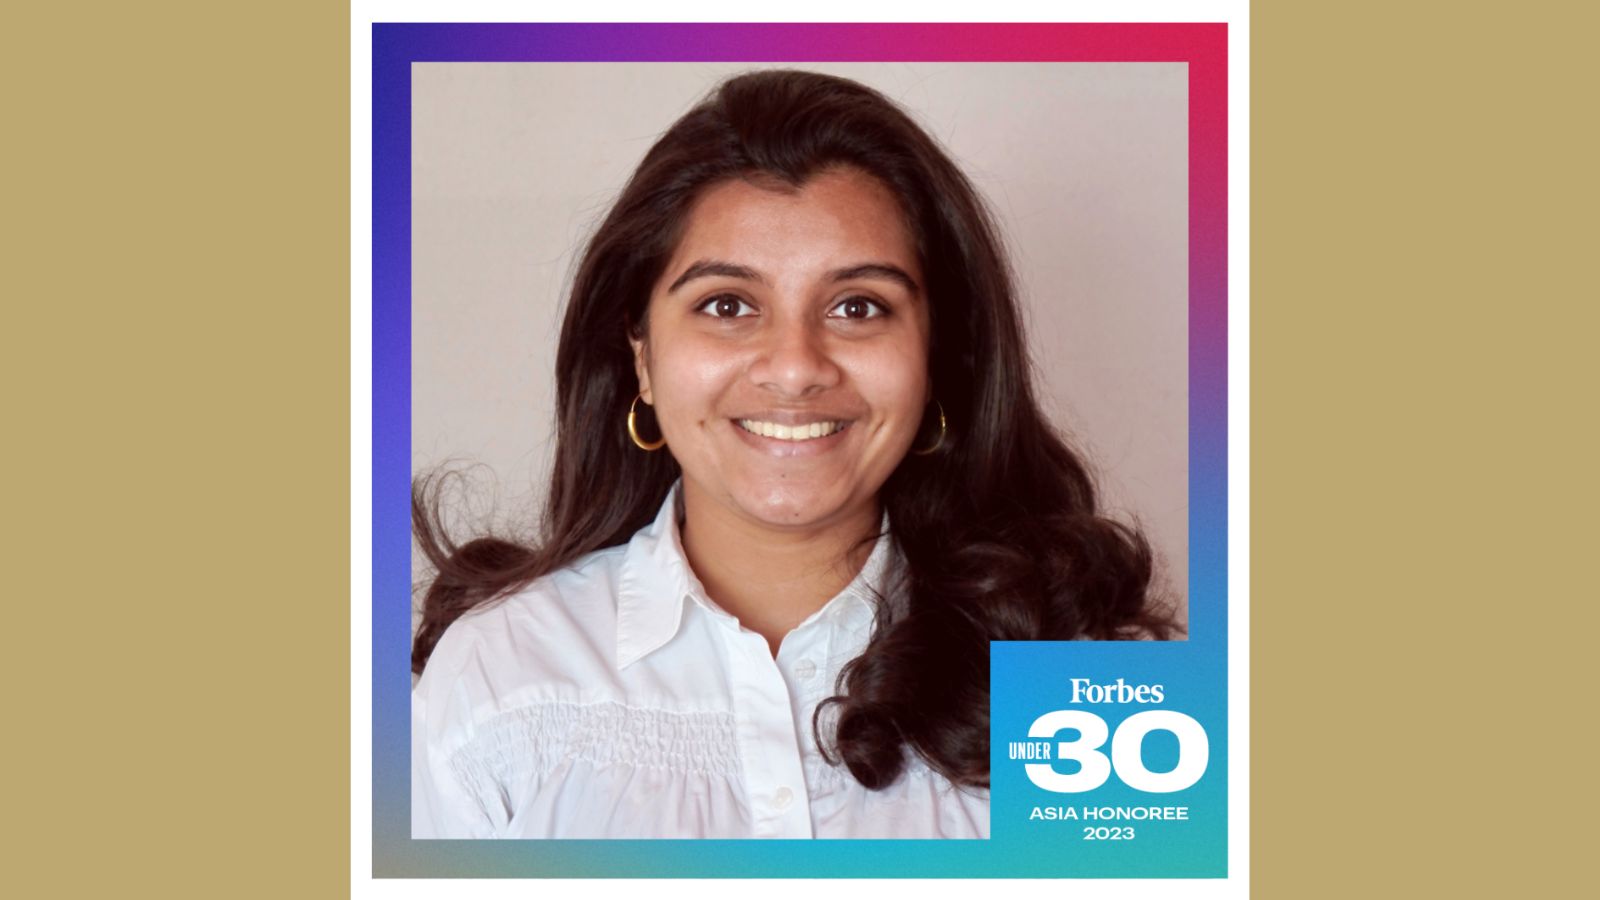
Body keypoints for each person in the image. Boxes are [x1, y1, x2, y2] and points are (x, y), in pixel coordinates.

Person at [410, 68, 1181, 839]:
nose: (795, 366)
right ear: (641, 356)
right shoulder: (498, 677)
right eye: (727, 305)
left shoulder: (1095, 687)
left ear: (939, 356)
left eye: (858, 306)